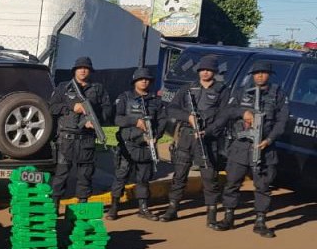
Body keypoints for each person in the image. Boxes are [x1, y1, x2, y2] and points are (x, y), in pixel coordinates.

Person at [213, 61, 289, 238]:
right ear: (252, 75)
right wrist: (242, 113)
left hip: (264, 147)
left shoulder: (277, 93)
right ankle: (228, 217)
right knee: (232, 182)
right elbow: (226, 112)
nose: (260, 76)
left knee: (262, 186)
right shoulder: (241, 92)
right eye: (257, 73)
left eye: (264, 73)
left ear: (269, 75)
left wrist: (269, 140)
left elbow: (282, 121)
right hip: (241, 146)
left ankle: (260, 222)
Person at [163, 55, 229, 227]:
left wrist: (207, 131)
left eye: (209, 70)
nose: (205, 72)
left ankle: (211, 214)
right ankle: (172, 208)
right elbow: (171, 109)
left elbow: (224, 116)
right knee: (180, 174)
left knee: (209, 177)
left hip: (207, 139)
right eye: (202, 69)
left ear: (214, 72)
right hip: (186, 136)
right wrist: (187, 117)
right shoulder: (188, 88)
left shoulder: (222, 90)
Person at [49, 56, 112, 207]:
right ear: (75, 70)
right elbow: (52, 107)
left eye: (86, 68)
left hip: (87, 139)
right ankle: (54, 206)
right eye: (80, 68)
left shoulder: (98, 89)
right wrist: (71, 107)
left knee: (85, 175)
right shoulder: (64, 87)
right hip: (66, 139)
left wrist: (96, 120)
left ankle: (81, 207)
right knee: (61, 175)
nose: (83, 70)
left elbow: (108, 110)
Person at [108, 68, 161, 220]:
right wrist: (135, 122)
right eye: (141, 79)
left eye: (147, 79)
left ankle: (143, 209)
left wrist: (157, 136)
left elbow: (162, 120)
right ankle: (114, 207)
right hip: (128, 144)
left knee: (143, 178)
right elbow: (117, 119)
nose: (144, 81)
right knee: (121, 176)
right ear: (135, 82)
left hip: (146, 145)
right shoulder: (125, 97)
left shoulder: (154, 100)